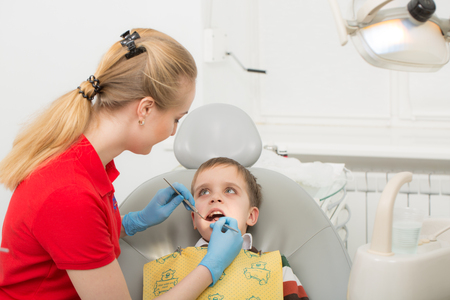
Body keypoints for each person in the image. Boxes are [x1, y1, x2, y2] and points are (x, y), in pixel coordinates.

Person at [0, 29, 243, 300]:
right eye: (176, 118)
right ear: (145, 109)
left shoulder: (83, 160)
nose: (174, 131)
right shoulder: (70, 193)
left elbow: (75, 238)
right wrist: (212, 266)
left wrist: (131, 222)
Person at [190, 157, 309, 300]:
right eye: (204, 192)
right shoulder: (174, 265)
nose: (215, 197)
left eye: (229, 190)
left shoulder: (277, 267)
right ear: (194, 219)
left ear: (251, 216)